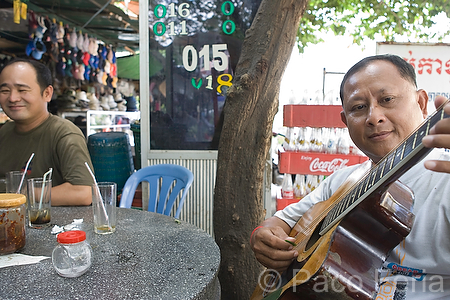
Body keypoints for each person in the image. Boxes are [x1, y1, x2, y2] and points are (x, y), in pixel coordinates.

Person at [250, 54, 450, 299]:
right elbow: (280, 223)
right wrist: (264, 237)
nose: (374, 117)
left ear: (421, 102)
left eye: (387, 100)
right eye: (358, 107)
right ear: (345, 121)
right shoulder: (343, 182)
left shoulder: (445, 179)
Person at [0, 58, 94, 206]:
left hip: (52, 225)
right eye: (5, 90)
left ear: (47, 93)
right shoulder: (5, 132)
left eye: (22, 90)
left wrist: (23, 194)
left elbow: (83, 192)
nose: (13, 98)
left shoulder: (64, 134)